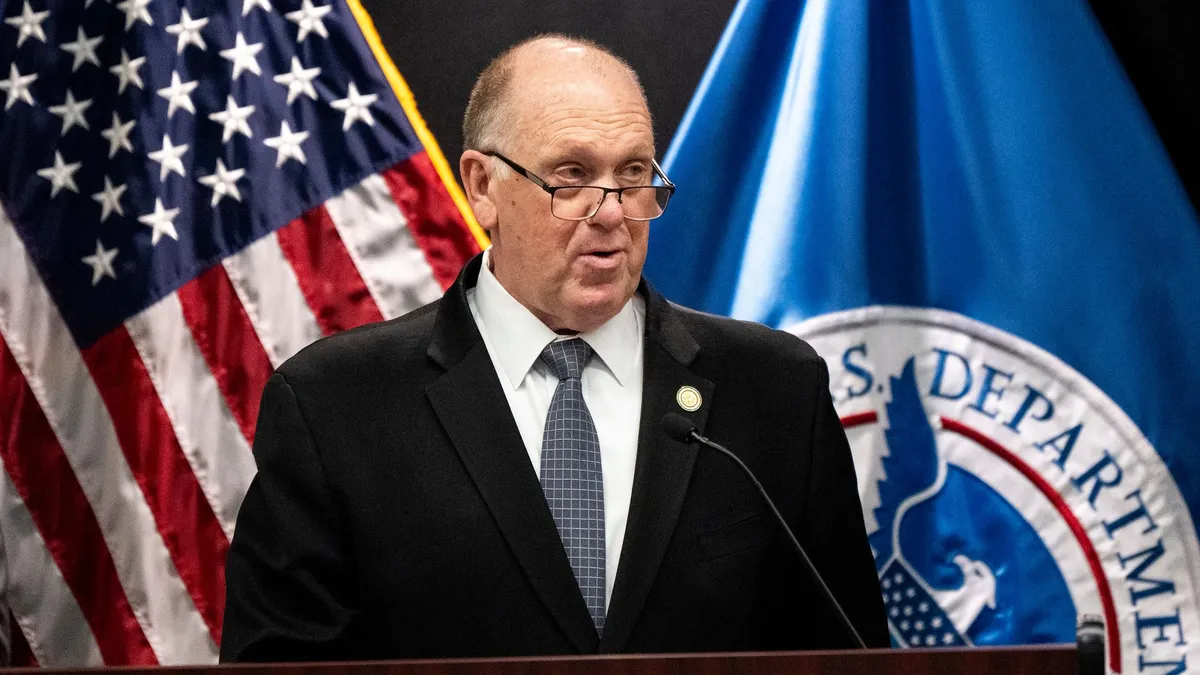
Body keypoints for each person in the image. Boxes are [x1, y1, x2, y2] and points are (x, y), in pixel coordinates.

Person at [220, 34, 888, 661]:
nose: (613, 212)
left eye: (634, 174)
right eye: (572, 176)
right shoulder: (336, 406)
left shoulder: (774, 390)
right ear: (483, 186)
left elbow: (848, 659)